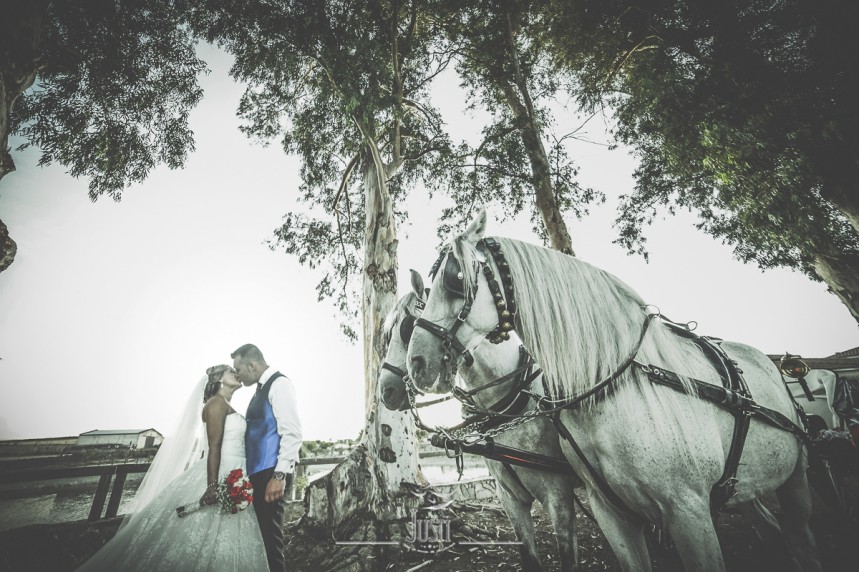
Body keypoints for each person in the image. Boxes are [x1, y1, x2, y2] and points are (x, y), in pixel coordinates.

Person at [76, 365, 268, 571]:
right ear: (220, 379)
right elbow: (214, 448)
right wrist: (212, 485)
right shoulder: (215, 404)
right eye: (231, 371)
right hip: (220, 473)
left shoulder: (226, 405)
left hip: (236, 471)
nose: (236, 373)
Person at [232, 344, 302, 572]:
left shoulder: (279, 384)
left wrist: (279, 476)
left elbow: (292, 433)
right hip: (260, 475)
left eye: (239, 369)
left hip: (271, 475)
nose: (237, 375)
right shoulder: (259, 389)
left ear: (252, 365)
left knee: (271, 544)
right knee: (261, 541)